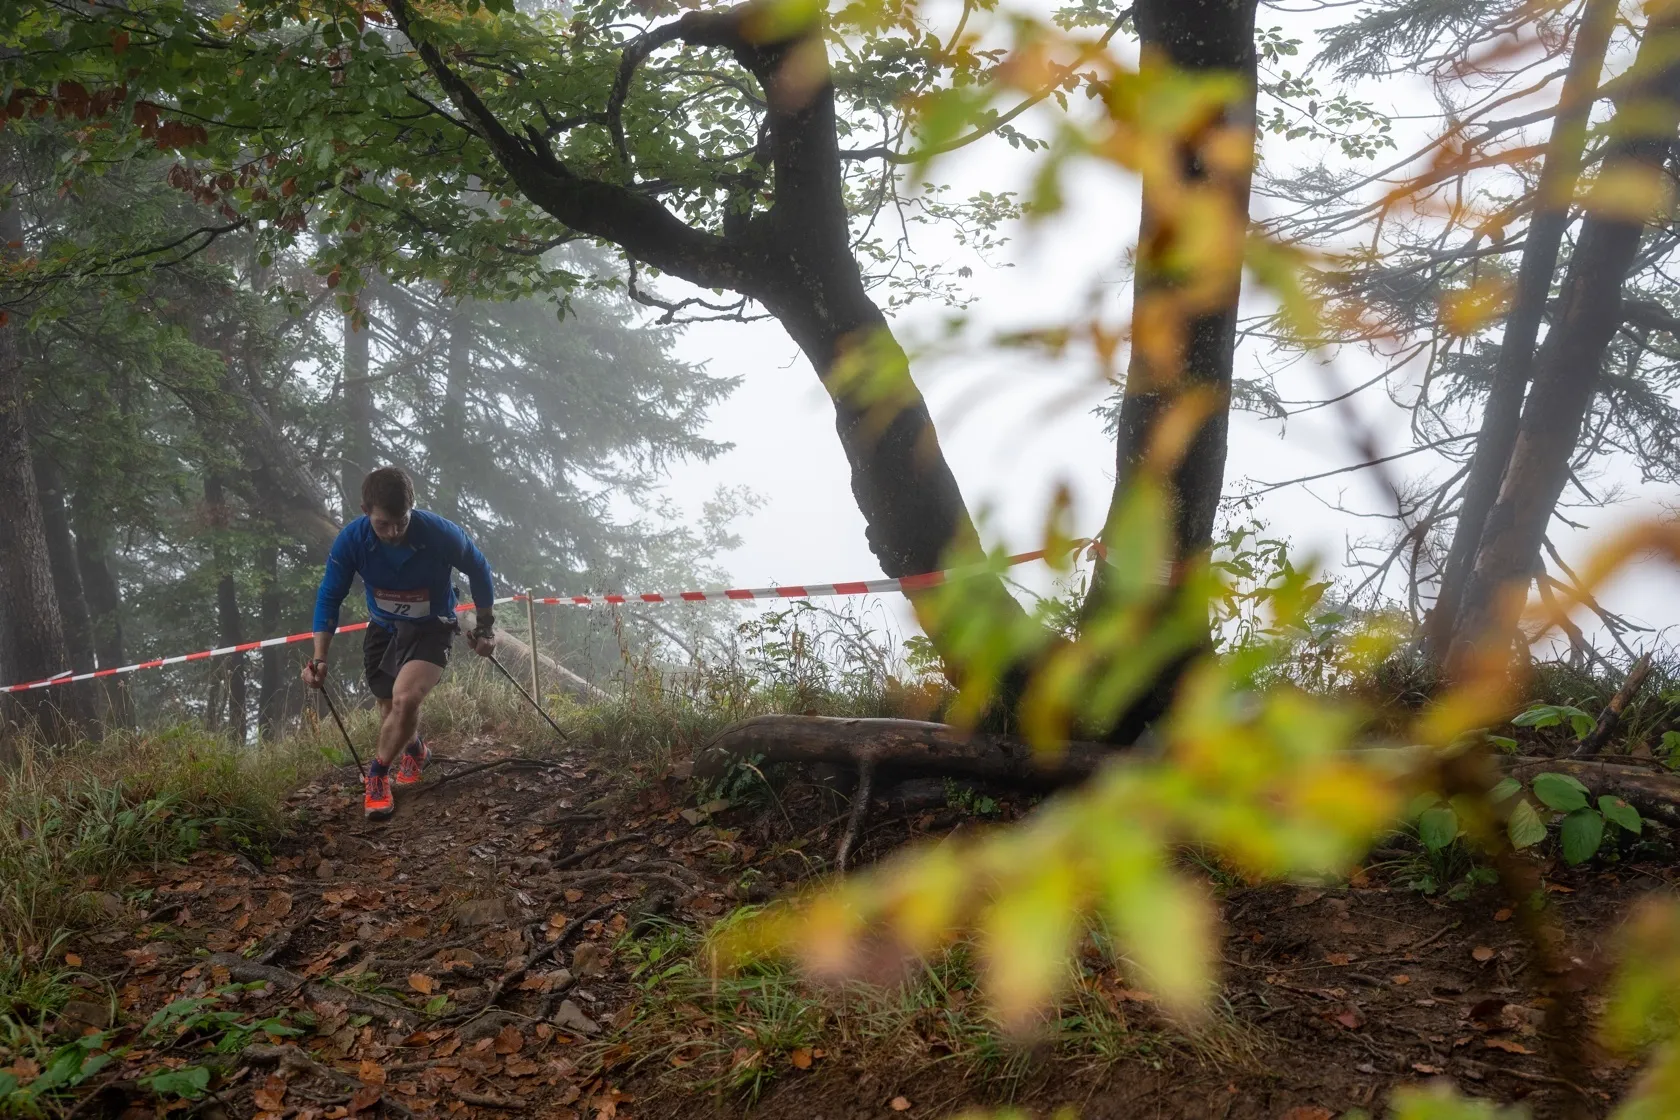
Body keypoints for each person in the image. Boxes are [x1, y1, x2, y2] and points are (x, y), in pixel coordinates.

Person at [303, 466, 498, 820]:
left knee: (405, 699)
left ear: (413, 508)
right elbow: (329, 595)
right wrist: (320, 656)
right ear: (366, 512)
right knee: (388, 709)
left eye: (402, 522)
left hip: (431, 627)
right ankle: (417, 750)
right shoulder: (351, 541)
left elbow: (479, 568)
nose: (393, 532)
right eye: (383, 524)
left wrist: (485, 627)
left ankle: (376, 775)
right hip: (383, 628)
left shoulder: (441, 533)